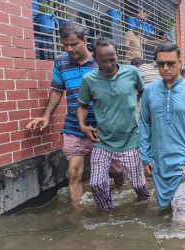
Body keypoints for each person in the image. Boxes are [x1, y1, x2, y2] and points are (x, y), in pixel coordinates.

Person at [25, 23, 122, 211]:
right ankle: (79, 215)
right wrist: (46, 116)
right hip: (74, 126)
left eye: (73, 44)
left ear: (85, 41)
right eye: (65, 45)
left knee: (116, 171)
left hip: (103, 128)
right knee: (74, 172)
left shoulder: (102, 60)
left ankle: (118, 197)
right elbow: (57, 91)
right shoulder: (61, 62)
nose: (69, 49)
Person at [77, 37, 150, 210]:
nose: (109, 65)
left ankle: (146, 206)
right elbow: (82, 105)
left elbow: (144, 94)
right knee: (96, 184)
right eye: (104, 61)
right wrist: (82, 126)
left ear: (117, 55)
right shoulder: (89, 80)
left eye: (112, 59)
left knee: (139, 185)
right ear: (95, 59)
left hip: (130, 139)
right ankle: (107, 213)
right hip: (102, 140)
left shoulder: (132, 72)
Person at [140, 43, 185, 221]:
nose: (165, 68)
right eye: (160, 64)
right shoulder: (149, 91)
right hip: (159, 162)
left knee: (181, 212)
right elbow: (145, 126)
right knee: (166, 208)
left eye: (170, 63)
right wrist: (145, 156)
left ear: (179, 61)